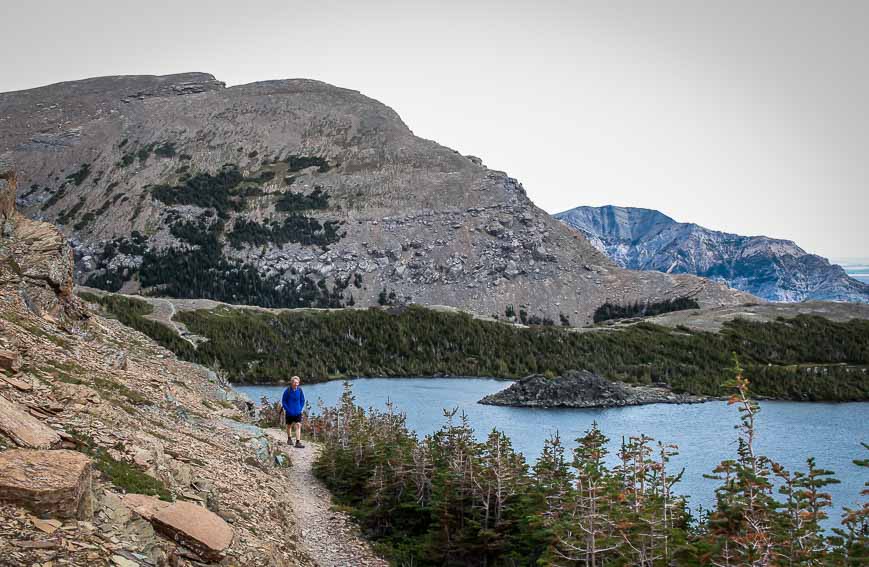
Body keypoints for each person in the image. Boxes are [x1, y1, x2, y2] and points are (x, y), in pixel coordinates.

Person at [281, 376, 306, 448]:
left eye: (297, 382)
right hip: (289, 412)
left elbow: (302, 400)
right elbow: (284, 401)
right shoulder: (287, 391)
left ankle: (298, 442)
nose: (296, 384)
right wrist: (287, 409)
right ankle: (289, 439)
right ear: (292, 382)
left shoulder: (300, 390)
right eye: (295, 382)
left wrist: (300, 408)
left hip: (298, 412)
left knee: (298, 425)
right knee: (289, 426)